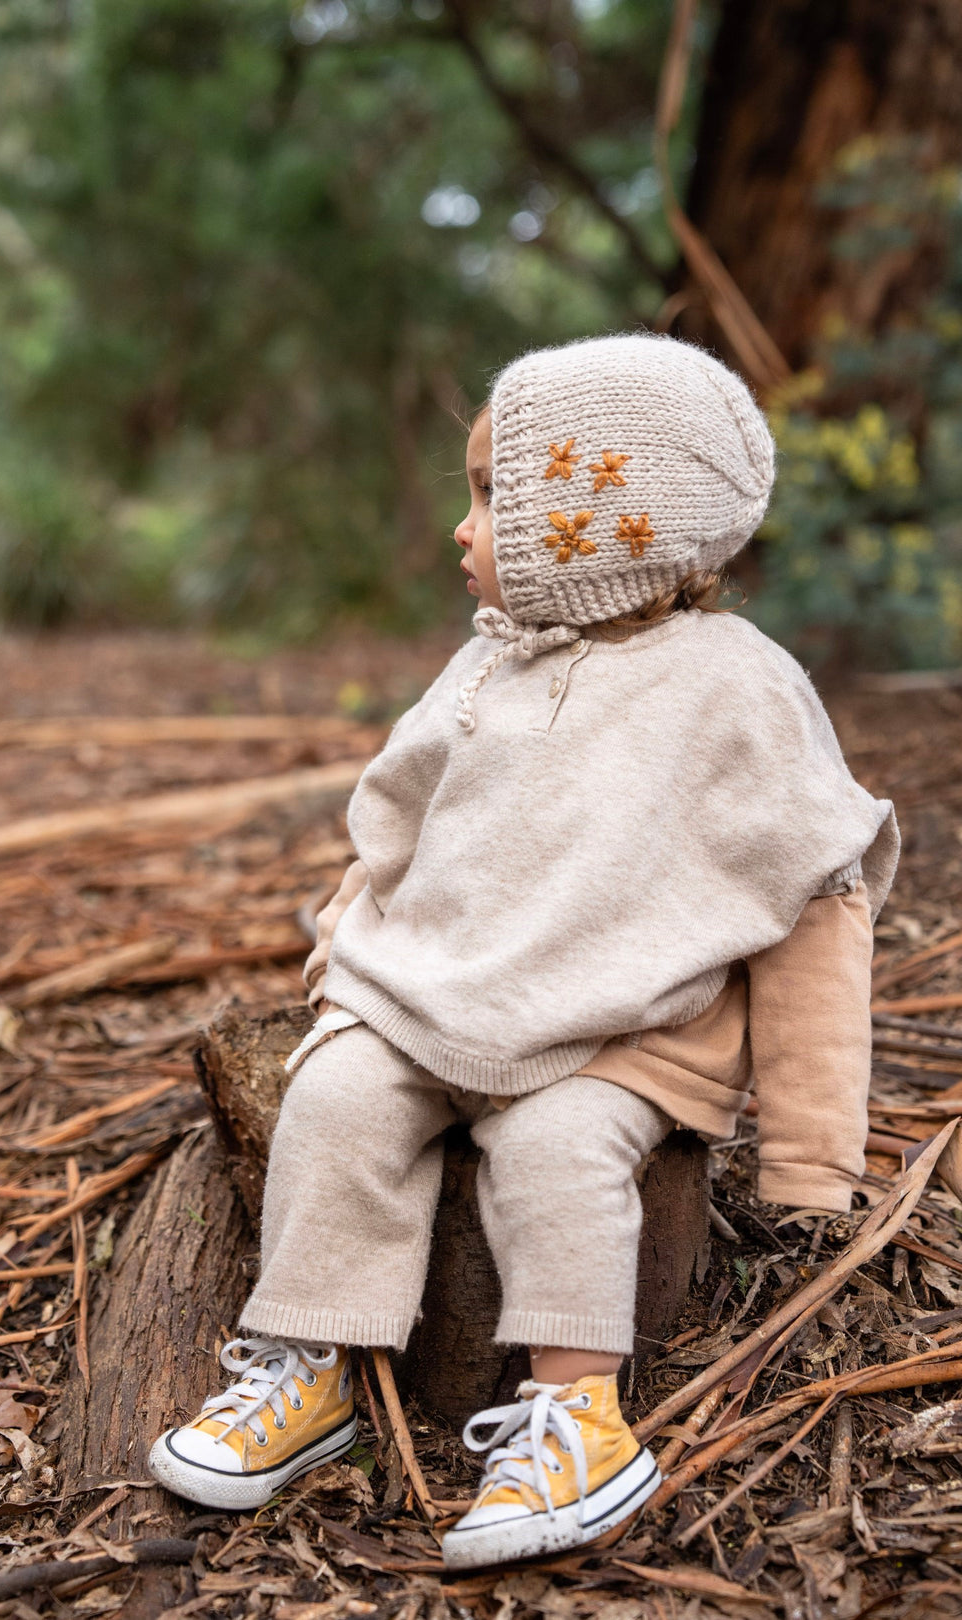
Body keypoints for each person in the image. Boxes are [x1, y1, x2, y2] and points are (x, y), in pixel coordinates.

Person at [149, 334, 898, 1569]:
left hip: (625, 1029)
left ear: (609, 519)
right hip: (444, 988)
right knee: (333, 1101)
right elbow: (399, 843)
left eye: (498, 496)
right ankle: (310, 1365)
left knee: (559, 1153)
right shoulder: (488, 668)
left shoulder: (737, 690)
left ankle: (576, 1414)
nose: (463, 529)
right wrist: (350, 963)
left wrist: (817, 1159)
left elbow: (817, 905)